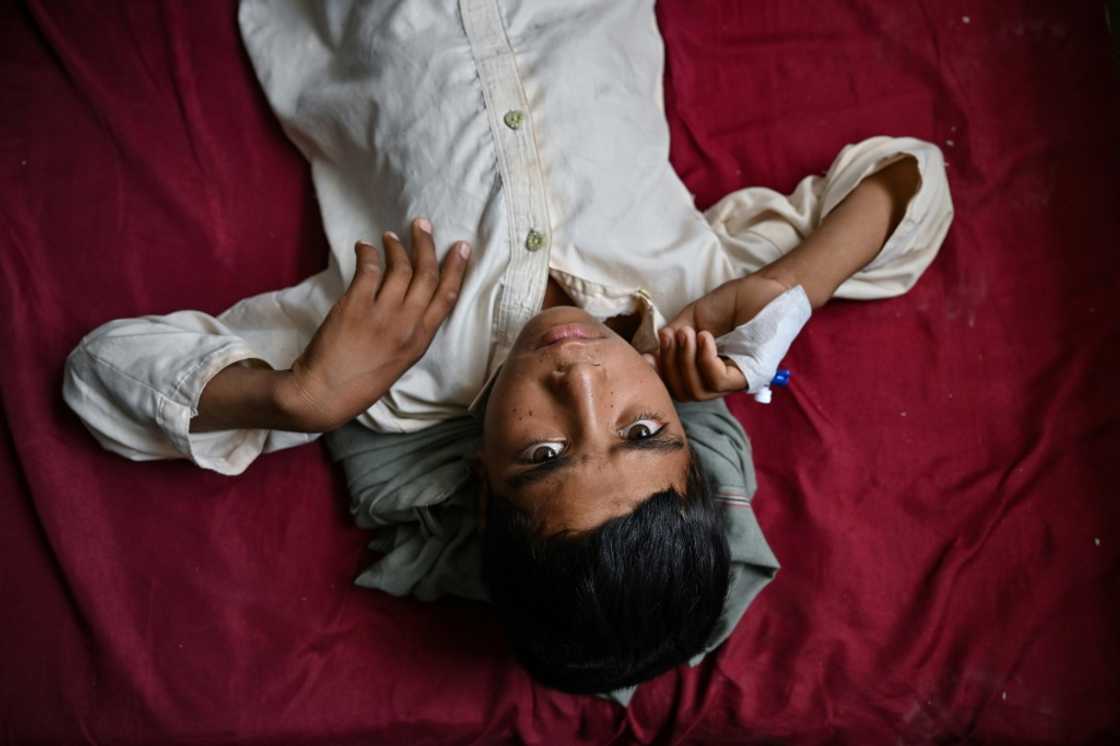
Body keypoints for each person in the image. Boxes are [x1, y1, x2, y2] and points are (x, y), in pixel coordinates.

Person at [62, 0, 953, 695]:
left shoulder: (386, 366)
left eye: (546, 452)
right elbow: (914, 184)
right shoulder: (700, 293)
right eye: (644, 435)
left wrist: (290, 398)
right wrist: (789, 284)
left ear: (485, 494)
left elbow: (100, 374)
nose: (582, 383)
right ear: (691, 437)